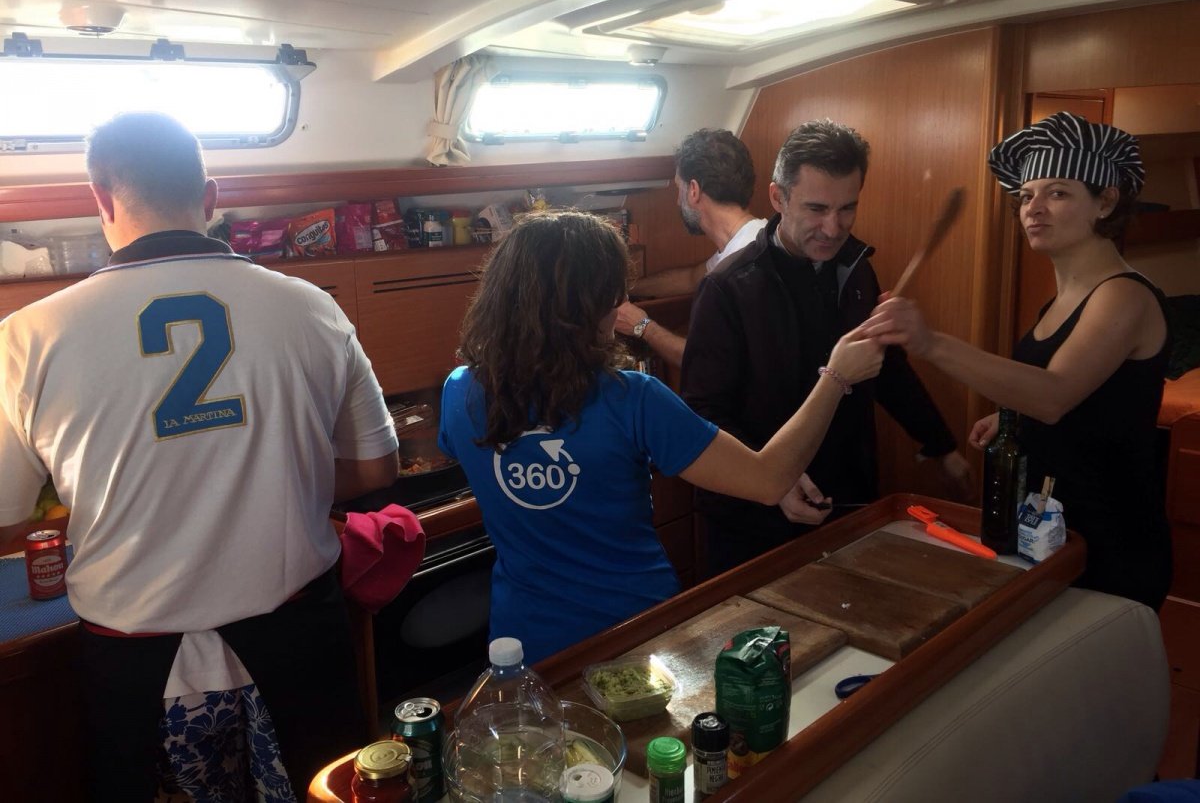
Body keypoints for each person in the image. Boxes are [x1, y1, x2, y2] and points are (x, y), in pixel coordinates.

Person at [0, 112, 400, 802]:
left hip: (136, 657)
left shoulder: (26, 336)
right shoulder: (313, 308)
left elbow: (8, 520)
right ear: (211, 198)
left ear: (100, 197)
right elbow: (374, 470)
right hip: (296, 636)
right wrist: (286, 468)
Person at [437, 210, 882, 663]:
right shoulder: (633, 399)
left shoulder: (458, 393)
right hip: (636, 633)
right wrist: (835, 378)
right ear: (591, 304)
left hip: (524, 644)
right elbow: (768, 480)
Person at [864, 111, 1172, 610]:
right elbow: (1084, 400)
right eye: (1026, 196)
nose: (1035, 208)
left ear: (1106, 201)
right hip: (1055, 535)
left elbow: (1053, 395)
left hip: (1112, 538)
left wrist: (930, 342)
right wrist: (1012, 415)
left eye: (1058, 192)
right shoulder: (1059, 302)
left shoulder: (1124, 297)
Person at [681, 119, 973, 578]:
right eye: (816, 208)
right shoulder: (727, 290)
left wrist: (939, 444)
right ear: (778, 198)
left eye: (847, 209)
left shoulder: (854, 270)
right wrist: (775, 482)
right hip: (756, 524)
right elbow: (703, 415)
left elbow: (886, 367)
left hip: (847, 501)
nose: (833, 228)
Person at [614, 128, 766, 368]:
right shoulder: (752, 238)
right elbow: (692, 277)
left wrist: (642, 326)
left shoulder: (746, 266)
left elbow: (706, 362)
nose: (677, 200)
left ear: (693, 191)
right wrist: (628, 287)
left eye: (679, 188)